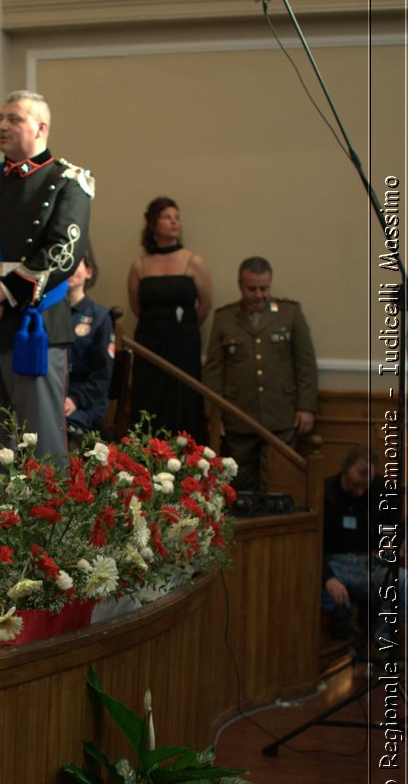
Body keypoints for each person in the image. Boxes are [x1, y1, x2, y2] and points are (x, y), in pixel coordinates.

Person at [0, 88, 94, 521]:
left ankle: (46, 542)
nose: (2, 126)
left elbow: (65, 250)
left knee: (41, 440)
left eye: (14, 119)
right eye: (0, 118)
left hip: (34, 324)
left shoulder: (69, 181)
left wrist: (4, 293)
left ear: (41, 127)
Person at [203, 256, 318, 491]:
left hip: (281, 416)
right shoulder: (225, 318)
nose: (258, 294)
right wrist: (214, 414)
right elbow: (214, 370)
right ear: (240, 285)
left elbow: (305, 364)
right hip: (239, 416)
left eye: (264, 288)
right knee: (239, 486)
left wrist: (307, 407)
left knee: (279, 485)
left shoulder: (290, 313)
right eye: (252, 288)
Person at [126, 196, 211, 443]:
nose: (174, 223)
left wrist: (182, 329)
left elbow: (204, 306)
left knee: (182, 403)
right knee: (149, 403)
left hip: (183, 344)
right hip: (150, 343)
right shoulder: (140, 265)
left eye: (177, 217)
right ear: (153, 224)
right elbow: (136, 306)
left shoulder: (193, 261)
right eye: (167, 217)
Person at [322, 445, 405, 641]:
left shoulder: (384, 490)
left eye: (365, 487)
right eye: (354, 484)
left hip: (369, 563)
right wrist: (328, 577)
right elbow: (315, 545)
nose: (359, 492)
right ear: (344, 471)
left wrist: (393, 541)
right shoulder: (327, 491)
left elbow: (395, 527)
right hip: (336, 564)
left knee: (403, 581)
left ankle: (381, 641)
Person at [65, 247, 115, 435]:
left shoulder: (100, 317)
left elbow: (102, 375)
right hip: (52, 397)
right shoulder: (48, 315)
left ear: (89, 272)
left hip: (85, 405)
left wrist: (75, 400)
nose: (69, 271)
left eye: (76, 264)